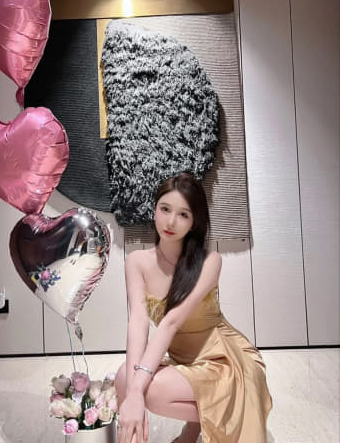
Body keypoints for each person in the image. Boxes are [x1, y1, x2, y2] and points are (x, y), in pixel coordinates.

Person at [115, 172, 273, 443]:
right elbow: (138, 322)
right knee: (123, 379)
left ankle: (197, 427)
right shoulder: (137, 261)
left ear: (194, 222)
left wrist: (138, 390)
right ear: (154, 210)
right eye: (165, 209)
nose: (171, 222)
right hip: (182, 358)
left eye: (183, 215)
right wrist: (132, 392)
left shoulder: (210, 261)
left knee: (150, 392)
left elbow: (171, 322)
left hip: (223, 358)